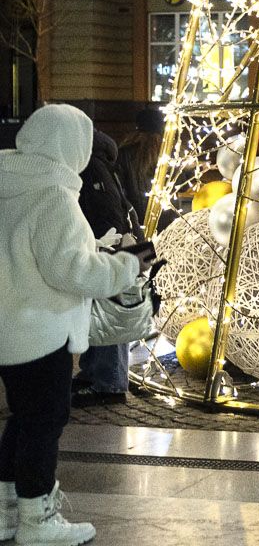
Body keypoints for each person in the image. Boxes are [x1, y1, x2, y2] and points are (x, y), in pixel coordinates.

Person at [0, 104, 148, 544]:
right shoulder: (51, 195)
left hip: (11, 325)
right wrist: (127, 266)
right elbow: (72, 272)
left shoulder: (10, 182)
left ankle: (8, 509)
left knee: (23, 419)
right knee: (44, 420)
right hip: (42, 329)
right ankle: (38, 518)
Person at [72, 127, 145, 408]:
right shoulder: (99, 162)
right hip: (115, 247)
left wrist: (100, 245)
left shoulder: (90, 166)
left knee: (108, 311)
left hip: (109, 248)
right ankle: (95, 373)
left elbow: (104, 212)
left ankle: (109, 384)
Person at [115, 107, 164, 225]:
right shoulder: (168, 153)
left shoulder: (124, 153)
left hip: (134, 218)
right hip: (166, 217)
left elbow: (118, 187)